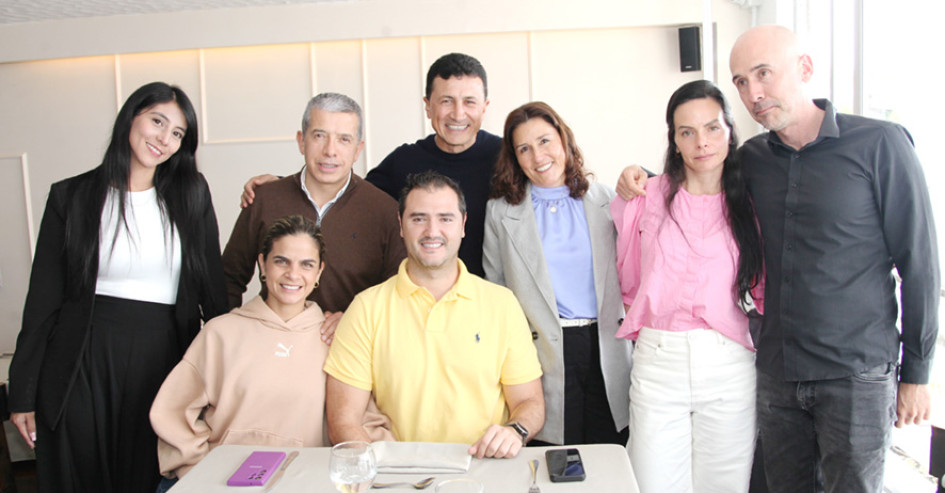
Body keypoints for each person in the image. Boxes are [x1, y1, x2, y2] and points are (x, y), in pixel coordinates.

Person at [619, 25, 940, 492]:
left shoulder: (880, 144)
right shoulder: (750, 161)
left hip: (855, 372)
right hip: (776, 372)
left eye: (763, 73)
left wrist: (917, 373)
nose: (754, 92)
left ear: (805, 68)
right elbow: (695, 179)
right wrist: (639, 177)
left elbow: (920, 264)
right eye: (741, 82)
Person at [7, 82, 227, 493]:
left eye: (178, 133)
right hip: (79, 362)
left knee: (147, 475)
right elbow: (42, 302)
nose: (164, 139)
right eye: (157, 121)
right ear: (130, 117)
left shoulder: (192, 195)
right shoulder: (70, 196)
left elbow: (213, 294)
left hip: (162, 358)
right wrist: (23, 394)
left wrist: (227, 378)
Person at [150, 216, 393, 492]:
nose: (293, 274)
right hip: (221, 483)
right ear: (263, 264)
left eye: (306, 264)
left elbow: (363, 420)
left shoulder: (336, 339)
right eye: (281, 261)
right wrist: (200, 468)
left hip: (305, 483)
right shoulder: (221, 333)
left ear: (319, 272)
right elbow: (172, 411)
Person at [324, 170, 545, 459]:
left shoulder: (502, 304)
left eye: (445, 218)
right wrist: (381, 475)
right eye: (418, 218)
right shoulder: (366, 308)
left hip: (486, 469)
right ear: (401, 226)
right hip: (398, 476)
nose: (432, 231)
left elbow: (530, 402)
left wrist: (516, 431)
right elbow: (343, 422)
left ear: (463, 225)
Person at [614, 80, 763, 493]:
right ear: (674, 140)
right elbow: (628, 279)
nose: (702, 142)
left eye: (712, 127)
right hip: (658, 361)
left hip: (729, 362)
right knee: (650, 484)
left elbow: (764, 284)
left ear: (731, 131)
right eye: (687, 132)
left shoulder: (752, 201)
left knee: (725, 486)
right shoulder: (646, 195)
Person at [241, 53, 498, 277]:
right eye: (446, 101)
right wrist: (282, 185)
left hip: (487, 300)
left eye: (469, 102)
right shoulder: (404, 162)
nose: (458, 113)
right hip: (415, 300)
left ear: (485, 107)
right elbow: (346, 192)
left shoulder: (506, 157)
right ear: (428, 107)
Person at [482, 102, 632, 446]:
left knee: (607, 453)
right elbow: (496, 291)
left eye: (545, 141)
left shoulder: (607, 200)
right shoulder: (500, 213)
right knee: (551, 456)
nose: (538, 156)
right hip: (541, 354)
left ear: (564, 140)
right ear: (514, 158)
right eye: (524, 149)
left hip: (606, 349)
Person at [222, 92, 405, 342]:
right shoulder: (265, 199)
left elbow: (399, 294)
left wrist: (357, 317)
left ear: (357, 149)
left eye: (343, 139)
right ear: (301, 141)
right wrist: (228, 336)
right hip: (271, 346)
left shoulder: (385, 211)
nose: (330, 151)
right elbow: (228, 279)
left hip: (351, 350)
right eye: (319, 136)